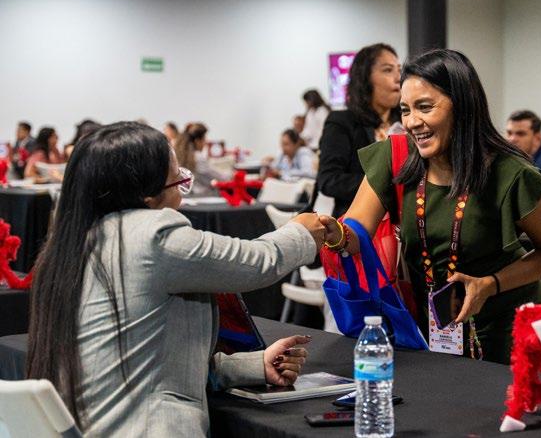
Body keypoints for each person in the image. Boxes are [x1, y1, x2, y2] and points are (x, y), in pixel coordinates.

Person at [26, 122, 330, 436]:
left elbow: (143, 361)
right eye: (178, 181)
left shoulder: (74, 244)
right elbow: (259, 262)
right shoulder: (152, 235)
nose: (182, 196)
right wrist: (302, 232)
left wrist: (253, 365)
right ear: (146, 194)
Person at [321, 49, 541, 364]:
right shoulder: (395, 157)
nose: (412, 122)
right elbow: (356, 232)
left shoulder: (511, 173)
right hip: (430, 324)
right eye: (405, 110)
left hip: (502, 327)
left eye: (425, 107)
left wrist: (490, 284)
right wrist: (335, 234)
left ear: (462, 105)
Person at [317, 42, 401, 217]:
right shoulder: (342, 122)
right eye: (388, 70)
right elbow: (329, 180)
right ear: (365, 77)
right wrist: (387, 185)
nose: (398, 78)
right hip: (358, 221)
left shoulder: (407, 122)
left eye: (399, 70)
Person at [175, 122, 233, 194]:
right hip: (204, 194)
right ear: (197, 141)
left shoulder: (181, 156)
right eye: (204, 139)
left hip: (190, 195)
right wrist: (233, 174)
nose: (205, 142)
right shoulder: (198, 158)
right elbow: (220, 178)